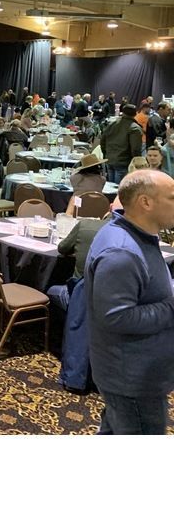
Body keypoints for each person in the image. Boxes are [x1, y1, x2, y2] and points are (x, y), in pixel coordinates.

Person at [84, 170, 174, 434]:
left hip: (135, 372)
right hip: (132, 380)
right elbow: (116, 317)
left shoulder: (137, 234)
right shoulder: (121, 252)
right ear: (145, 202)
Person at [99, 104, 143, 184]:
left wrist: (106, 154)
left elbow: (102, 141)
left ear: (122, 112)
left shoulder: (112, 124)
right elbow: (135, 149)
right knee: (120, 190)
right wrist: (136, 163)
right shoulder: (135, 128)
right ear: (135, 113)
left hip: (110, 159)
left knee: (110, 189)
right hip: (124, 162)